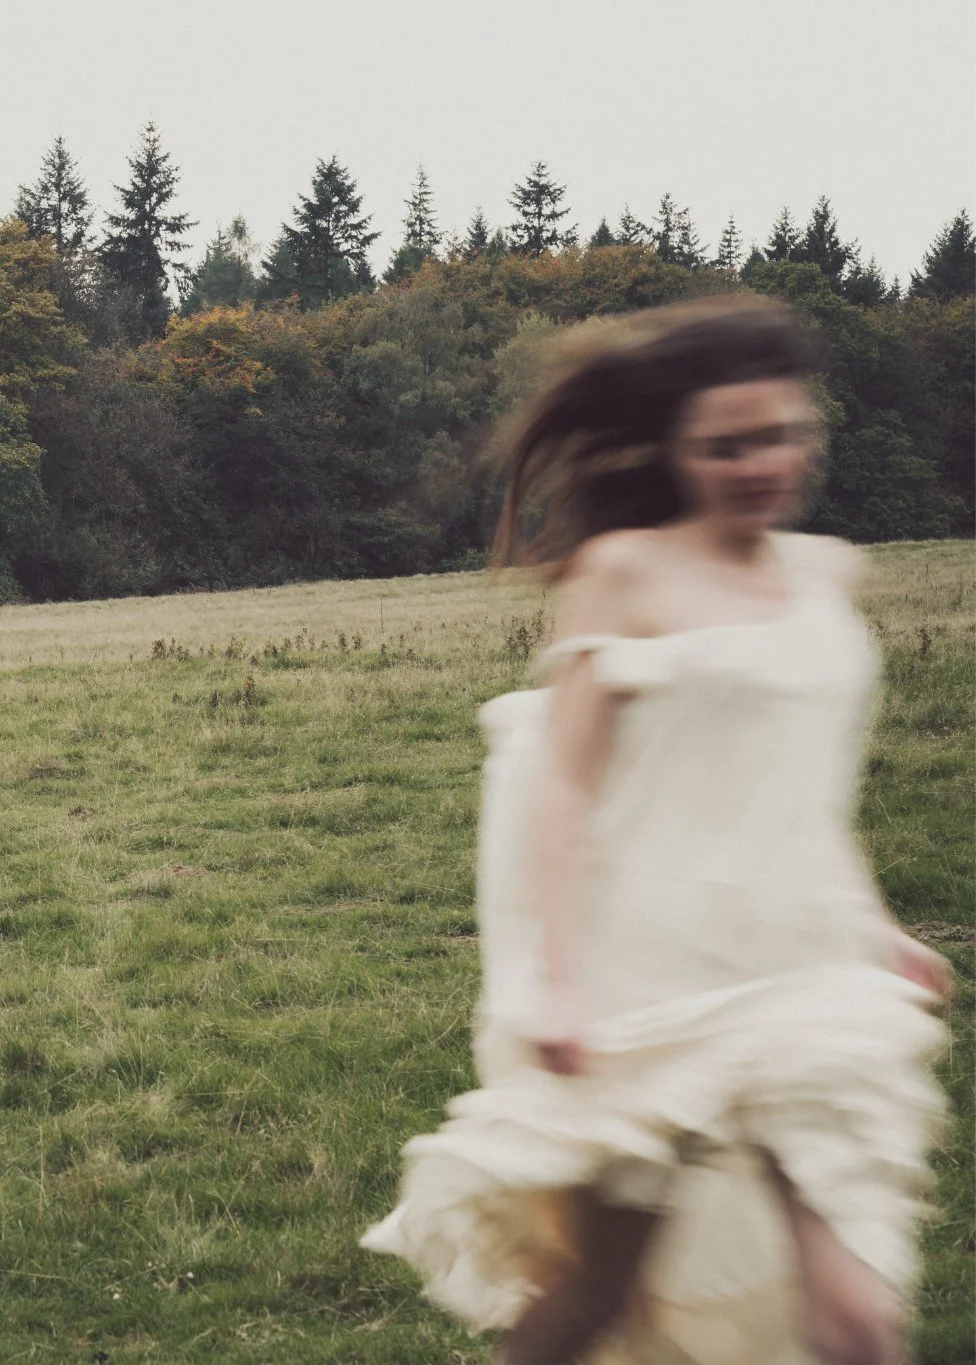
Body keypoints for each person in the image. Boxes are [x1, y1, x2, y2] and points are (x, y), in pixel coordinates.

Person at [360, 296, 952, 1365]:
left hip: (799, 981)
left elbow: (805, 792)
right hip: (648, 988)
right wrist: (549, 981)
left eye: (777, 434)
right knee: (595, 1289)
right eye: (725, 447)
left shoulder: (827, 572)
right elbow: (564, 789)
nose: (758, 464)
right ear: (674, 451)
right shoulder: (620, 573)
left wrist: (878, 929)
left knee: (856, 1323)